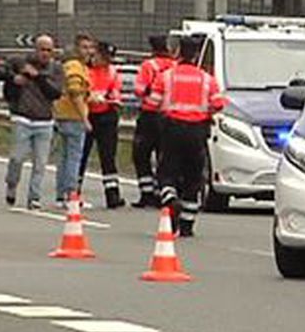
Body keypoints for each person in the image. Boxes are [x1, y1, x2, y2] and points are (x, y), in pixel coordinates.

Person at [155, 36, 226, 236]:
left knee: (166, 172)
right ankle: (187, 225)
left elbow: (153, 102)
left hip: (172, 130)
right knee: (193, 178)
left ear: (178, 53)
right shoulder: (207, 79)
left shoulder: (166, 76)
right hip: (197, 131)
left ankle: (170, 199)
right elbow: (219, 104)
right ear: (196, 55)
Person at [2, 35, 63, 210]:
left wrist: (37, 77)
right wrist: (14, 78)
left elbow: (55, 93)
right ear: (35, 50)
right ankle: (11, 185)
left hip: (45, 121)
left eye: (49, 50)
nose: (45, 54)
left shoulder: (56, 70)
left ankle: (34, 196)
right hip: (23, 118)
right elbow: (0, 70)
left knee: (40, 163)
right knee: (17, 158)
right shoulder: (22, 63)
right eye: (42, 49)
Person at [78, 41, 126, 209]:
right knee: (81, 156)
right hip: (87, 115)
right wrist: (90, 97)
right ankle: (74, 192)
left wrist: (115, 99)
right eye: (103, 57)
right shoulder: (85, 70)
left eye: (108, 58)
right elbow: (80, 91)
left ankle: (112, 195)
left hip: (107, 116)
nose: (105, 61)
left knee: (108, 156)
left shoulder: (112, 71)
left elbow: (115, 90)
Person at [131, 35, 175, 208]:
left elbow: (139, 90)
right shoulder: (175, 66)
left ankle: (147, 193)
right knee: (164, 155)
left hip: (150, 115)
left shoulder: (148, 66)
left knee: (141, 154)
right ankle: (162, 191)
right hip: (169, 117)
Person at [53, 33, 96, 208]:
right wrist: (85, 119)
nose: (89, 51)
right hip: (73, 117)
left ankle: (61, 195)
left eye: (90, 47)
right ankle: (71, 194)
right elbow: (75, 93)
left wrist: (93, 97)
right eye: (85, 47)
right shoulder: (75, 67)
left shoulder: (78, 66)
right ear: (77, 48)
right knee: (73, 158)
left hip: (63, 115)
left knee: (64, 158)